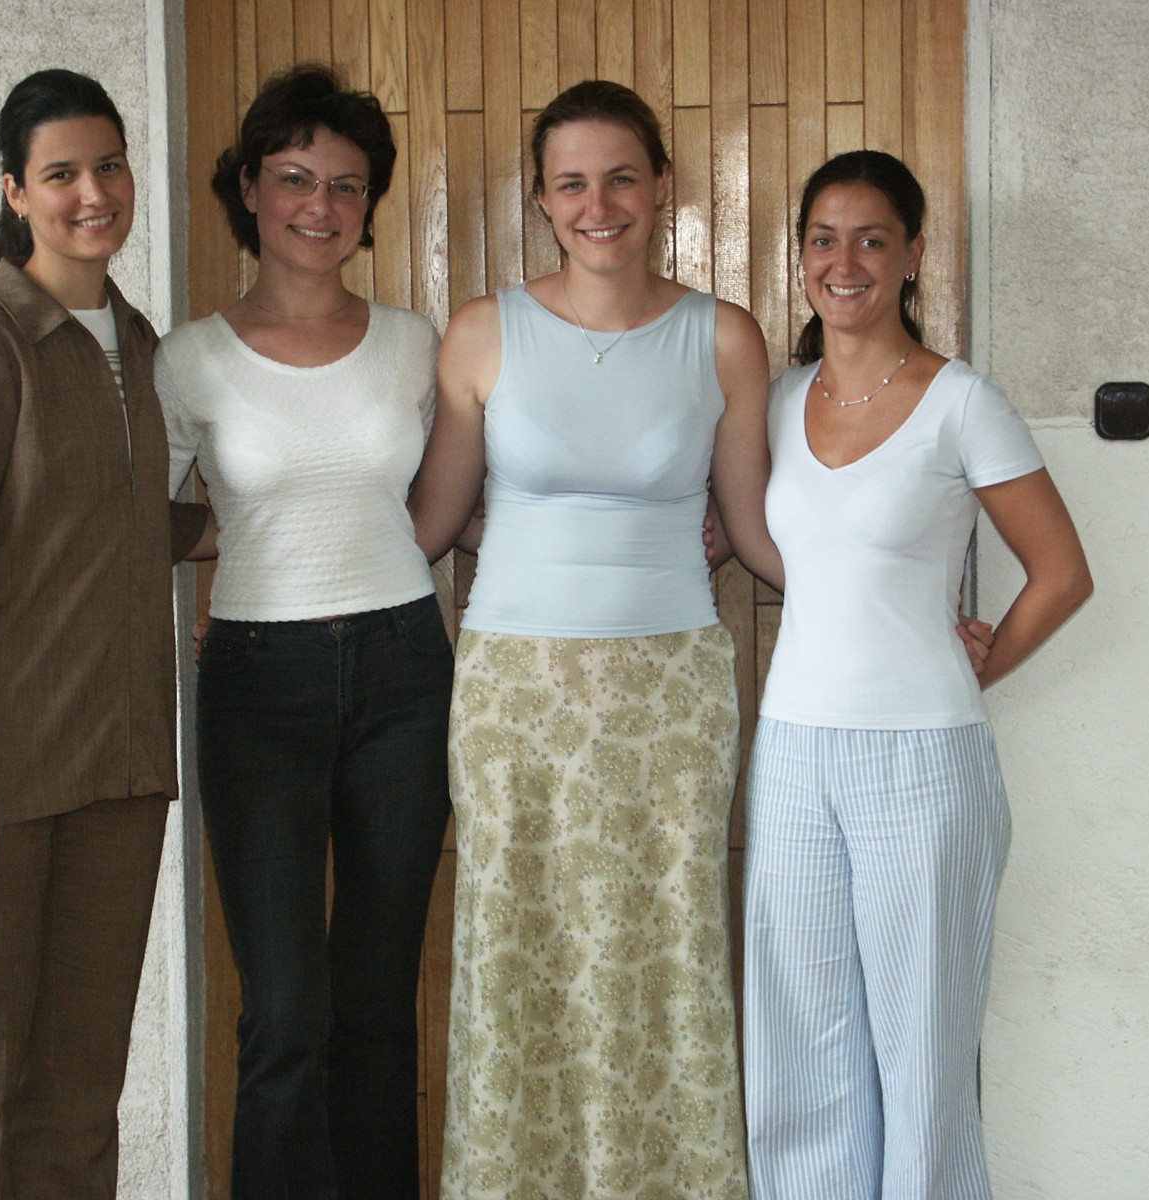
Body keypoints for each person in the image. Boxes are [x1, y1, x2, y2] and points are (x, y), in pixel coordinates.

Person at [407, 79, 779, 1199]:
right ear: (540, 198)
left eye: (621, 177)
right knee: (515, 948)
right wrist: (254, 588)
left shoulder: (722, 336)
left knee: (665, 948)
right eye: (571, 183)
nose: (597, 204)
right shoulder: (483, 332)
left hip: (671, 691)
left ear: (661, 185)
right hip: (512, 692)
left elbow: (757, 531)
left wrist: (900, 608)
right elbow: (430, 523)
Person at [742, 149, 1093, 1199]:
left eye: (870, 239)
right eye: (822, 239)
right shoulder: (777, 400)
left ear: (912, 256)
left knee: (923, 1053)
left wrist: (978, 664)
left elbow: (1062, 574)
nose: (843, 262)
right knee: (800, 1055)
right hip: (792, 752)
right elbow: (793, 552)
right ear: (801, 255)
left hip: (924, 761)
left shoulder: (960, 401)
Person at [0, 69, 210, 1200]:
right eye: (62, 173)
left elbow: (142, 527)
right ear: (15, 192)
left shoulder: (145, 346)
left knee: (79, 1101)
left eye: (109, 166)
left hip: (120, 768)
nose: (94, 193)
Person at [157, 65, 453, 1200]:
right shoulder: (188, 358)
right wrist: (233, 559)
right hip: (256, 684)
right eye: (293, 178)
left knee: (375, 1003)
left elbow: (450, 499)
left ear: (368, 205)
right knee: (283, 1012)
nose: (319, 206)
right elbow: (151, 519)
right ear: (248, 188)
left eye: (346, 185)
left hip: (403, 672)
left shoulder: (414, 344)